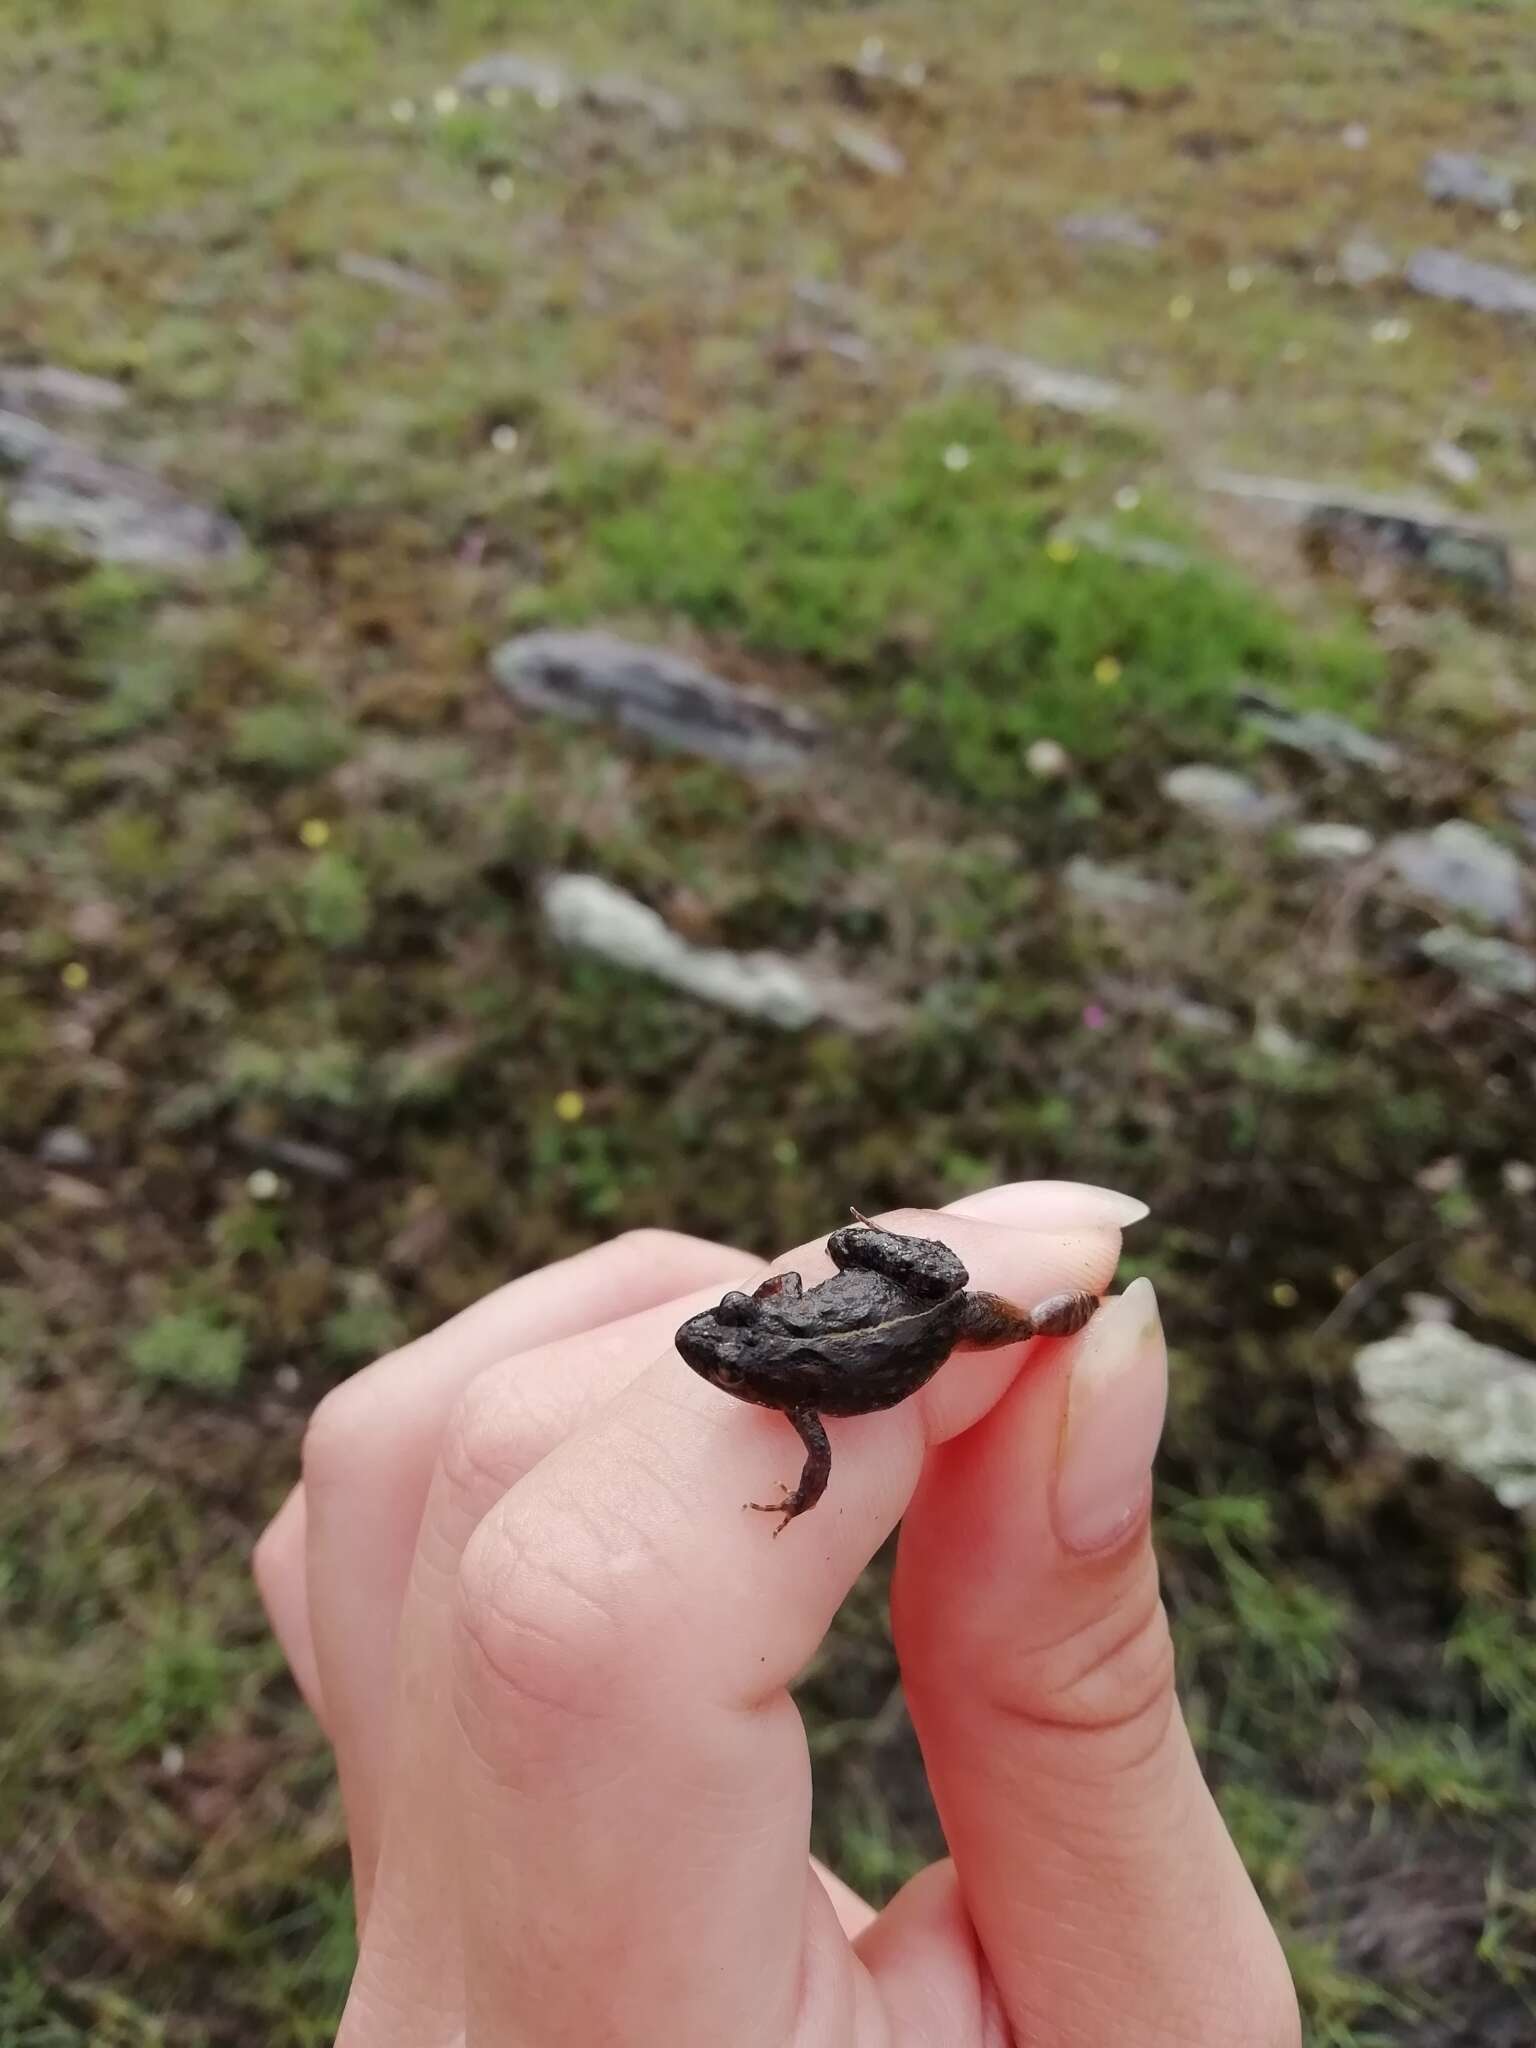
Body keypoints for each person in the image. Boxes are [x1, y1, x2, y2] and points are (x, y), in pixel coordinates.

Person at [254, 1180, 1301, 2046]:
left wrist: (794, 1488)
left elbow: (817, 1453)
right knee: (949, 1284)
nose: (715, 1355)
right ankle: (1051, 1312)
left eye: (728, 1356)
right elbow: (796, 1341)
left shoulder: (800, 1398)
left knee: (999, 1307)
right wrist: (818, 1287)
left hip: (916, 1343)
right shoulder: (788, 1367)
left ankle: (1061, 1316)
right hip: (904, 1323)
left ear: (762, 1368)